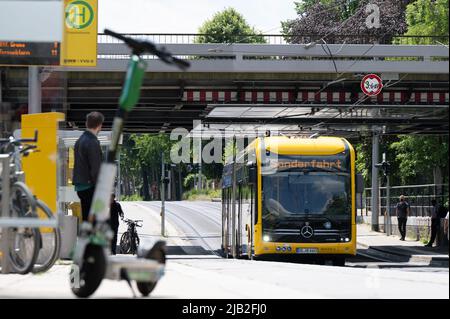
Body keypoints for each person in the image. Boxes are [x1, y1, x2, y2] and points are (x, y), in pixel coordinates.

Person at [73, 111, 104, 222]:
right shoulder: (92, 142)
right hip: (90, 186)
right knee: (94, 221)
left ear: (87, 124)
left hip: (81, 186)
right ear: (100, 125)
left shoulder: (80, 140)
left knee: (87, 219)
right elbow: (96, 169)